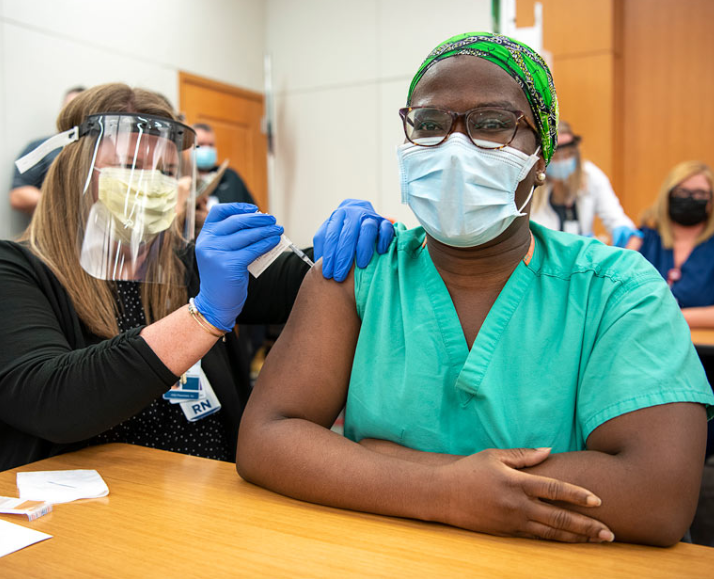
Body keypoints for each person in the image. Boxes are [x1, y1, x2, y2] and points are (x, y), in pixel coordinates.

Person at [236, 32, 714, 547]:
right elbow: (266, 439)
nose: (455, 148)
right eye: (430, 124)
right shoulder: (362, 271)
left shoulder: (615, 290)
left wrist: (396, 465)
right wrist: (443, 490)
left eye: (492, 125)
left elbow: (658, 495)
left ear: (540, 157)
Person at [0, 83, 394, 475]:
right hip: (77, 527)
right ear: (75, 171)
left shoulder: (186, 266)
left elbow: (304, 280)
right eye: (130, 164)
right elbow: (56, 402)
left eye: (167, 171)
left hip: (215, 512)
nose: (151, 183)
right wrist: (203, 316)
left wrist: (358, 242)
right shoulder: (1, 272)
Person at [627, 161, 714, 329]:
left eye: (700, 194)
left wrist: (666, 315)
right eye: (682, 192)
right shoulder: (641, 239)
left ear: (711, 201)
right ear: (668, 195)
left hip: (702, 348)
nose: (691, 199)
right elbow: (619, 296)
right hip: (644, 342)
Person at [529, 120, 639, 246]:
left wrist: (627, 240)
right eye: (556, 156)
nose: (563, 160)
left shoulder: (591, 176)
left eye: (568, 154)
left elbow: (619, 223)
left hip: (582, 258)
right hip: (542, 257)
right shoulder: (531, 182)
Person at [9, 86, 85, 214]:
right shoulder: (41, 148)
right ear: (61, 111)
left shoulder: (101, 151)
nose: (73, 114)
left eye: (79, 109)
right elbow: (17, 195)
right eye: (69, 107)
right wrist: (62, 201)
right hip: (49, 226)